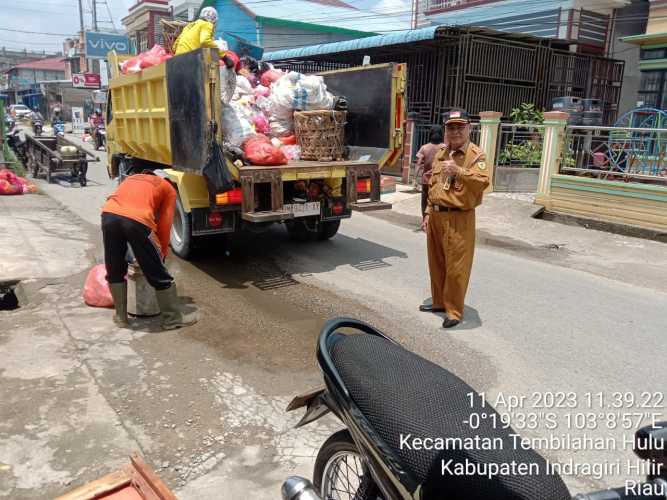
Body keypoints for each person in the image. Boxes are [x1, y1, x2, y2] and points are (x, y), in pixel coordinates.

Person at [101, 170, 198, 330]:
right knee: (157, 272)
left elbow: (123, 207)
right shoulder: (167, 187)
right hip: (138, 220)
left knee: (115, 267)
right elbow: (165, 225)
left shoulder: (131, 179)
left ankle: (121, 318)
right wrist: (161, 255)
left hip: (108, 215)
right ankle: (172, 320)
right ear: (164, 178)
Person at [420, 109, 489, 328]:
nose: (455, 131)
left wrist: (459, 171)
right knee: (437, 262)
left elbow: (483, 181)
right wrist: (428, 213)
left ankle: (454, 311)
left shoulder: (476, 155)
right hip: (437, 216)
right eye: (451, 127)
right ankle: (439, 302)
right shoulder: (441, 152)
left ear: (469, 128)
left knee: (456, 267)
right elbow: (433, 184)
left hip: (460, 217)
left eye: (460, 127)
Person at [414, 125, 444, 217]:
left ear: (430, 134)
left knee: (425, 201)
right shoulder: (445, 148)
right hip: (439, 181)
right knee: (438, 202)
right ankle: (435, 221)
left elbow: (418, 164)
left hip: (426, 181)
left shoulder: (424, 148)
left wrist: (414, 179)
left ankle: (425, 220)